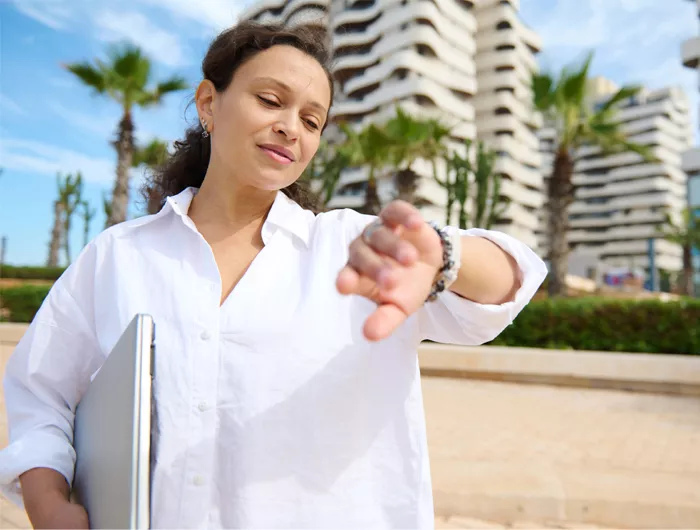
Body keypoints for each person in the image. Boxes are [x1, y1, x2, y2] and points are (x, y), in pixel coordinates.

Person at [0, 21, 546, 529]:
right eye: (270, 100)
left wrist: (443, 255)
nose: (290, 127)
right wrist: (49, 503)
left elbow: (508, 279)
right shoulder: (117, 256)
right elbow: (40, 394)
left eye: (312, 120)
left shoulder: (353, 249)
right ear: (209, 102)